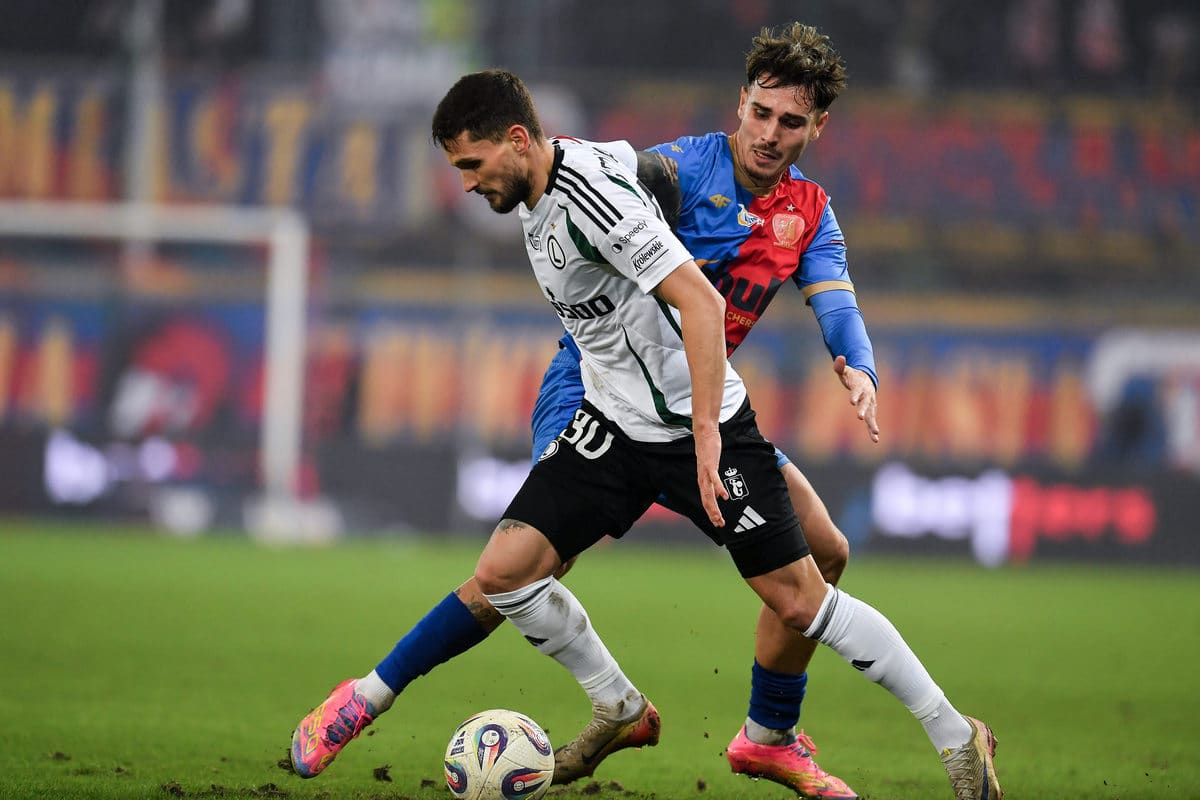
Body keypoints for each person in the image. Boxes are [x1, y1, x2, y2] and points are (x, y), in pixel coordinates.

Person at [291, 64, 1002, 800]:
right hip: (601, 399)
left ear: (816, 127)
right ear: (741, 104)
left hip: (698, 418)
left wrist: (854, 368)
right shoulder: (670, 170)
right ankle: (399, 696)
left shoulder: (803, 213)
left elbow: (771, 303)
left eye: (789, 121)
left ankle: (843, 736)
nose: (768, 133)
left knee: (817, 570)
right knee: (511, 571)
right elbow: (621, 168)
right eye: (759, 113)